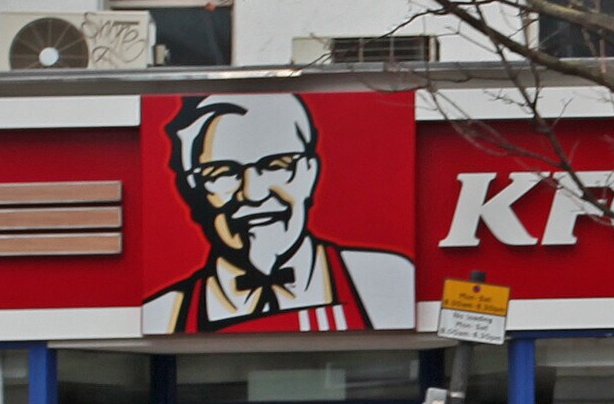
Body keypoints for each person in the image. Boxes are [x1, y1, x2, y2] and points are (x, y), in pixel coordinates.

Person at [141, 94, 415, 333]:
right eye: (223, 172)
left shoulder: (384, 281)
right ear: (195, 188)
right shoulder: (165, 313)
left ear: (310, 173)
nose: (253, 193)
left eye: (276, 165)